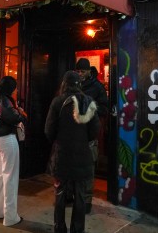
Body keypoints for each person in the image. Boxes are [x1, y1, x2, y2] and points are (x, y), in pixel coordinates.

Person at [45, 71, 100, 233]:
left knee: (60, 193)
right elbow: (95, 130)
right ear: (79, 84)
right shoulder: (88, 101)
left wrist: (60, 140)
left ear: (64, 84)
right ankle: (77, 229)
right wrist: (82, 141)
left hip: (62, 155)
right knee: (80, 196)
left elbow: (48, 130)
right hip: (82, 155)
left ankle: (59, 228)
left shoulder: (57, 102)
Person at [0, 76, 27, 227]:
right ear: (10, 88)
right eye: (15, 88)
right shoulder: (4, 100)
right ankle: (10, 216)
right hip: (7, 140)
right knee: (10, 177)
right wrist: (21, 113)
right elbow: (13, 118)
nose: (16, 90)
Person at [75, 58, 109, 214]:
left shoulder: (97, 87)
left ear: (89, 71)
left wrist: (90, 109)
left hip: (89, 134)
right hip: (74, 133)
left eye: (82, 71)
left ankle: (86, 201)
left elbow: (104, 108)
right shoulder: (74, 85)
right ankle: (72, 196)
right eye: (78, 71)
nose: (80, 74)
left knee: (88, 170)